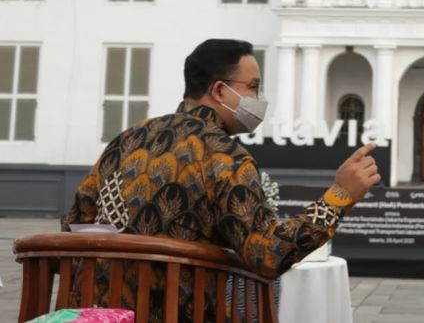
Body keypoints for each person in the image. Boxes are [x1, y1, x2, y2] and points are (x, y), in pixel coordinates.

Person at [62, 39, 381, 319]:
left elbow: (75, 224)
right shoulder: (225, 157)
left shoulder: (127, 139)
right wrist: (339, 195)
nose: (260, 98)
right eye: (253, 87)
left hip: (100, 313)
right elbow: (268, 254)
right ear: (218, 90)